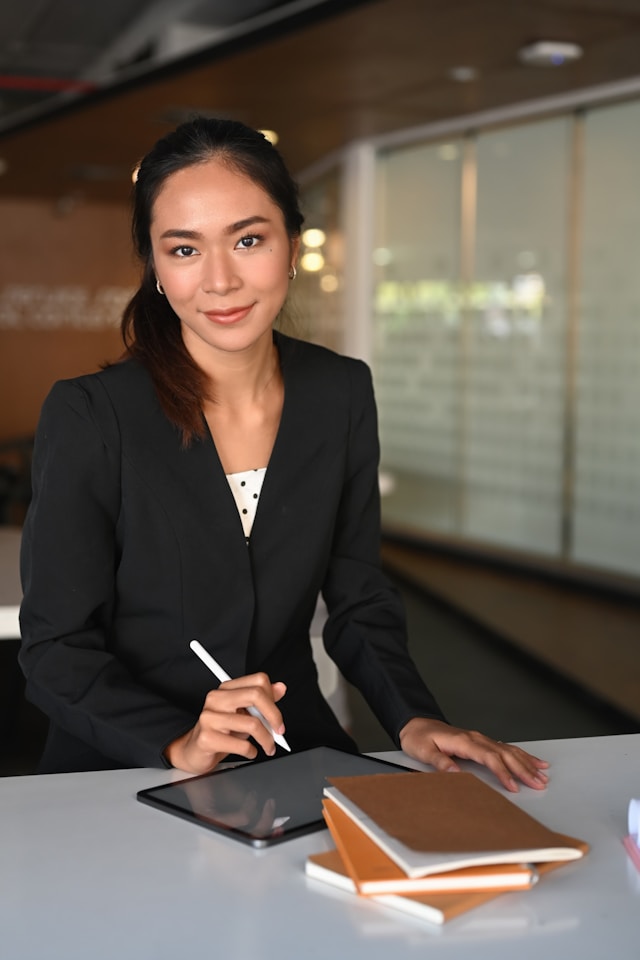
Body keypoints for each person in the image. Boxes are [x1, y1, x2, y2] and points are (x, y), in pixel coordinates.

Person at [19, 117, 548, 792]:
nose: (219, 280)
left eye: (247, 239)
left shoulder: (340, 390)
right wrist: (177, 743)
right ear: (155, 265)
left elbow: (357, 597)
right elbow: (55, 647)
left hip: (290, 751)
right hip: (124, 766)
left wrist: (412, 717)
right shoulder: (93, 414)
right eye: (184, 250)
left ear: (292, 245)